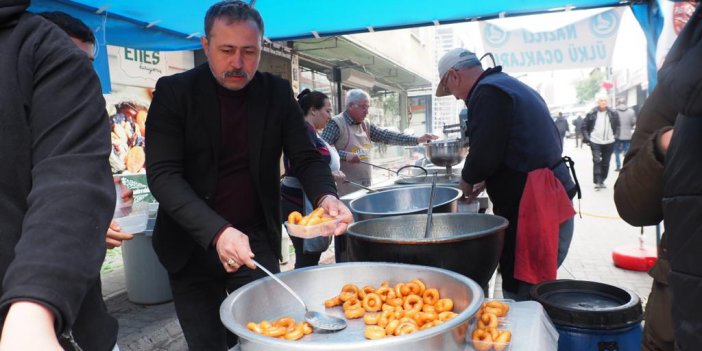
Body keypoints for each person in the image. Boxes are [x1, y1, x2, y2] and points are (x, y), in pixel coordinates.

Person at [144, 2, 352, 349]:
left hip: (254, 240)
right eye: (226, 50)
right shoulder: (174, 93)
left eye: (249, 52)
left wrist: (325, 196)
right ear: (205, 45)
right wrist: (217, 231)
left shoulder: (275, 92)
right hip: (189, 244)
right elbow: (163, 175)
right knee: (207, 343)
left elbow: (305, 157)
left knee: (269, 339)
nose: (238, 63)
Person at [0, 2, 118, 350]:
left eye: (87, 65)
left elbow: (72, 180)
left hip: (65, 319)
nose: (85, 80)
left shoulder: (33, 45)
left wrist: (32, 310)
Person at [435, 48, 577, 300]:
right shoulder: (507, 86)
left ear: (454, 76)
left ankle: (521, 328)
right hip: (546, 193)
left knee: (525, 285)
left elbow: (484, 152)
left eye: (450, 89)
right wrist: (486, 178)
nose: (456, 98)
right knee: (526, 278)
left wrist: (465, 184)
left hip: (536, 201)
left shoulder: (488, 93)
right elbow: (512, 145)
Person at [39, 11, 135, 250]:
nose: (83, 75)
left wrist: (110, 194)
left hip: (81, 269)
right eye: (70, 62)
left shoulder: (90, 117)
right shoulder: (17, 121)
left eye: (88, 64)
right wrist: (81, 224)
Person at [321, 88, 439, 196]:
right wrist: (345, 155)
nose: (366, 111)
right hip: (344, 190)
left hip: (365, 185)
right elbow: (321, 151)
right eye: (363, 107)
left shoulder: (365, 124)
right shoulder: (336, 124)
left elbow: (387, 136)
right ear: (351, 106)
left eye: (368, 107)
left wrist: (417, 139)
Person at [281, 89, 346, 268]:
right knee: (307, 255)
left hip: (311, 200)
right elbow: (298, 164)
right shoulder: (303, 132)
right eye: (327, 110)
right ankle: (301, 290)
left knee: (311, 255)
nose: (330, 116)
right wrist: (330, 175)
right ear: (313, 110)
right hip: (299, 203)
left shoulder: (314, 132)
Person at [581, 94, 620, 189]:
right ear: (598, 102)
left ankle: (602, 180)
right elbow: (584, 126)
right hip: (595, 141)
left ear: (607, 102)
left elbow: (618, 126)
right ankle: (598, 181)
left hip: (609, 141)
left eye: (605, 101)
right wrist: (587, 138)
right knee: (597, 160)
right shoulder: (592, 113)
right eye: (601, 100)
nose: (603, 102)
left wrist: (615, 137)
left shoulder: (613, 113)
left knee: (606, 162)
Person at [613, 98, 637, 171]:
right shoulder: (631, 111)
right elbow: (633, 122)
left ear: (618, 103)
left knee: (616, 151)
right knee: (627, 150)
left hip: (617, 135)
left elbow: (612, 123)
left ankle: (618, 166)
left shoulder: (614, 112)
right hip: (627, 134)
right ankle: (626, 165)